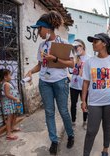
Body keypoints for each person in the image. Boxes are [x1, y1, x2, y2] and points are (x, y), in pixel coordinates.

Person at [26, 11, 74, 155]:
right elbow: (40, 65)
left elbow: (71, 64)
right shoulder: (41, 46)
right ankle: (54, 140)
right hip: (44, 83)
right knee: (49, 112)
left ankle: (70, 135)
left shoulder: (63, 43)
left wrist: (55, 59)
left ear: (47, 28)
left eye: (39, 29)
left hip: (60, 82)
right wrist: (30, 72)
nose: (38, 32)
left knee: (63, 111)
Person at [81, 33, 110, 156]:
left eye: (96, 41)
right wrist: (83, 100)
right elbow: (85, 83)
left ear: (104, 43)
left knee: (107, 127)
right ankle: (86, 153)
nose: (93, 44)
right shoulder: (89, 62)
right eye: (92, 42)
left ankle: (105, 149)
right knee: (91, 130)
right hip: (94, 102)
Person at [69, 39, 90, 129]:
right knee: (73, 104)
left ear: (83, 46)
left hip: (84, 86)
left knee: (84, 103)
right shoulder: (74, 58)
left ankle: (85, 121)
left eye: (78, 46)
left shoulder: (89, 58)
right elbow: (70, 71)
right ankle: (73, 122)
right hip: (74, 85)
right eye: (75, 47)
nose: (77, 48)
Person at [0, 69, 21, 141]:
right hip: (9, 103)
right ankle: (8, 134)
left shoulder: (7, 83)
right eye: (9, 75)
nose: (11, 76)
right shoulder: (6, 84)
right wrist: (15, 99)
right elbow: (7, 94)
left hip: (12, 102)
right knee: (9, 118)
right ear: (5, 77)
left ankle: (12, 127)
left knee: (14, 115)